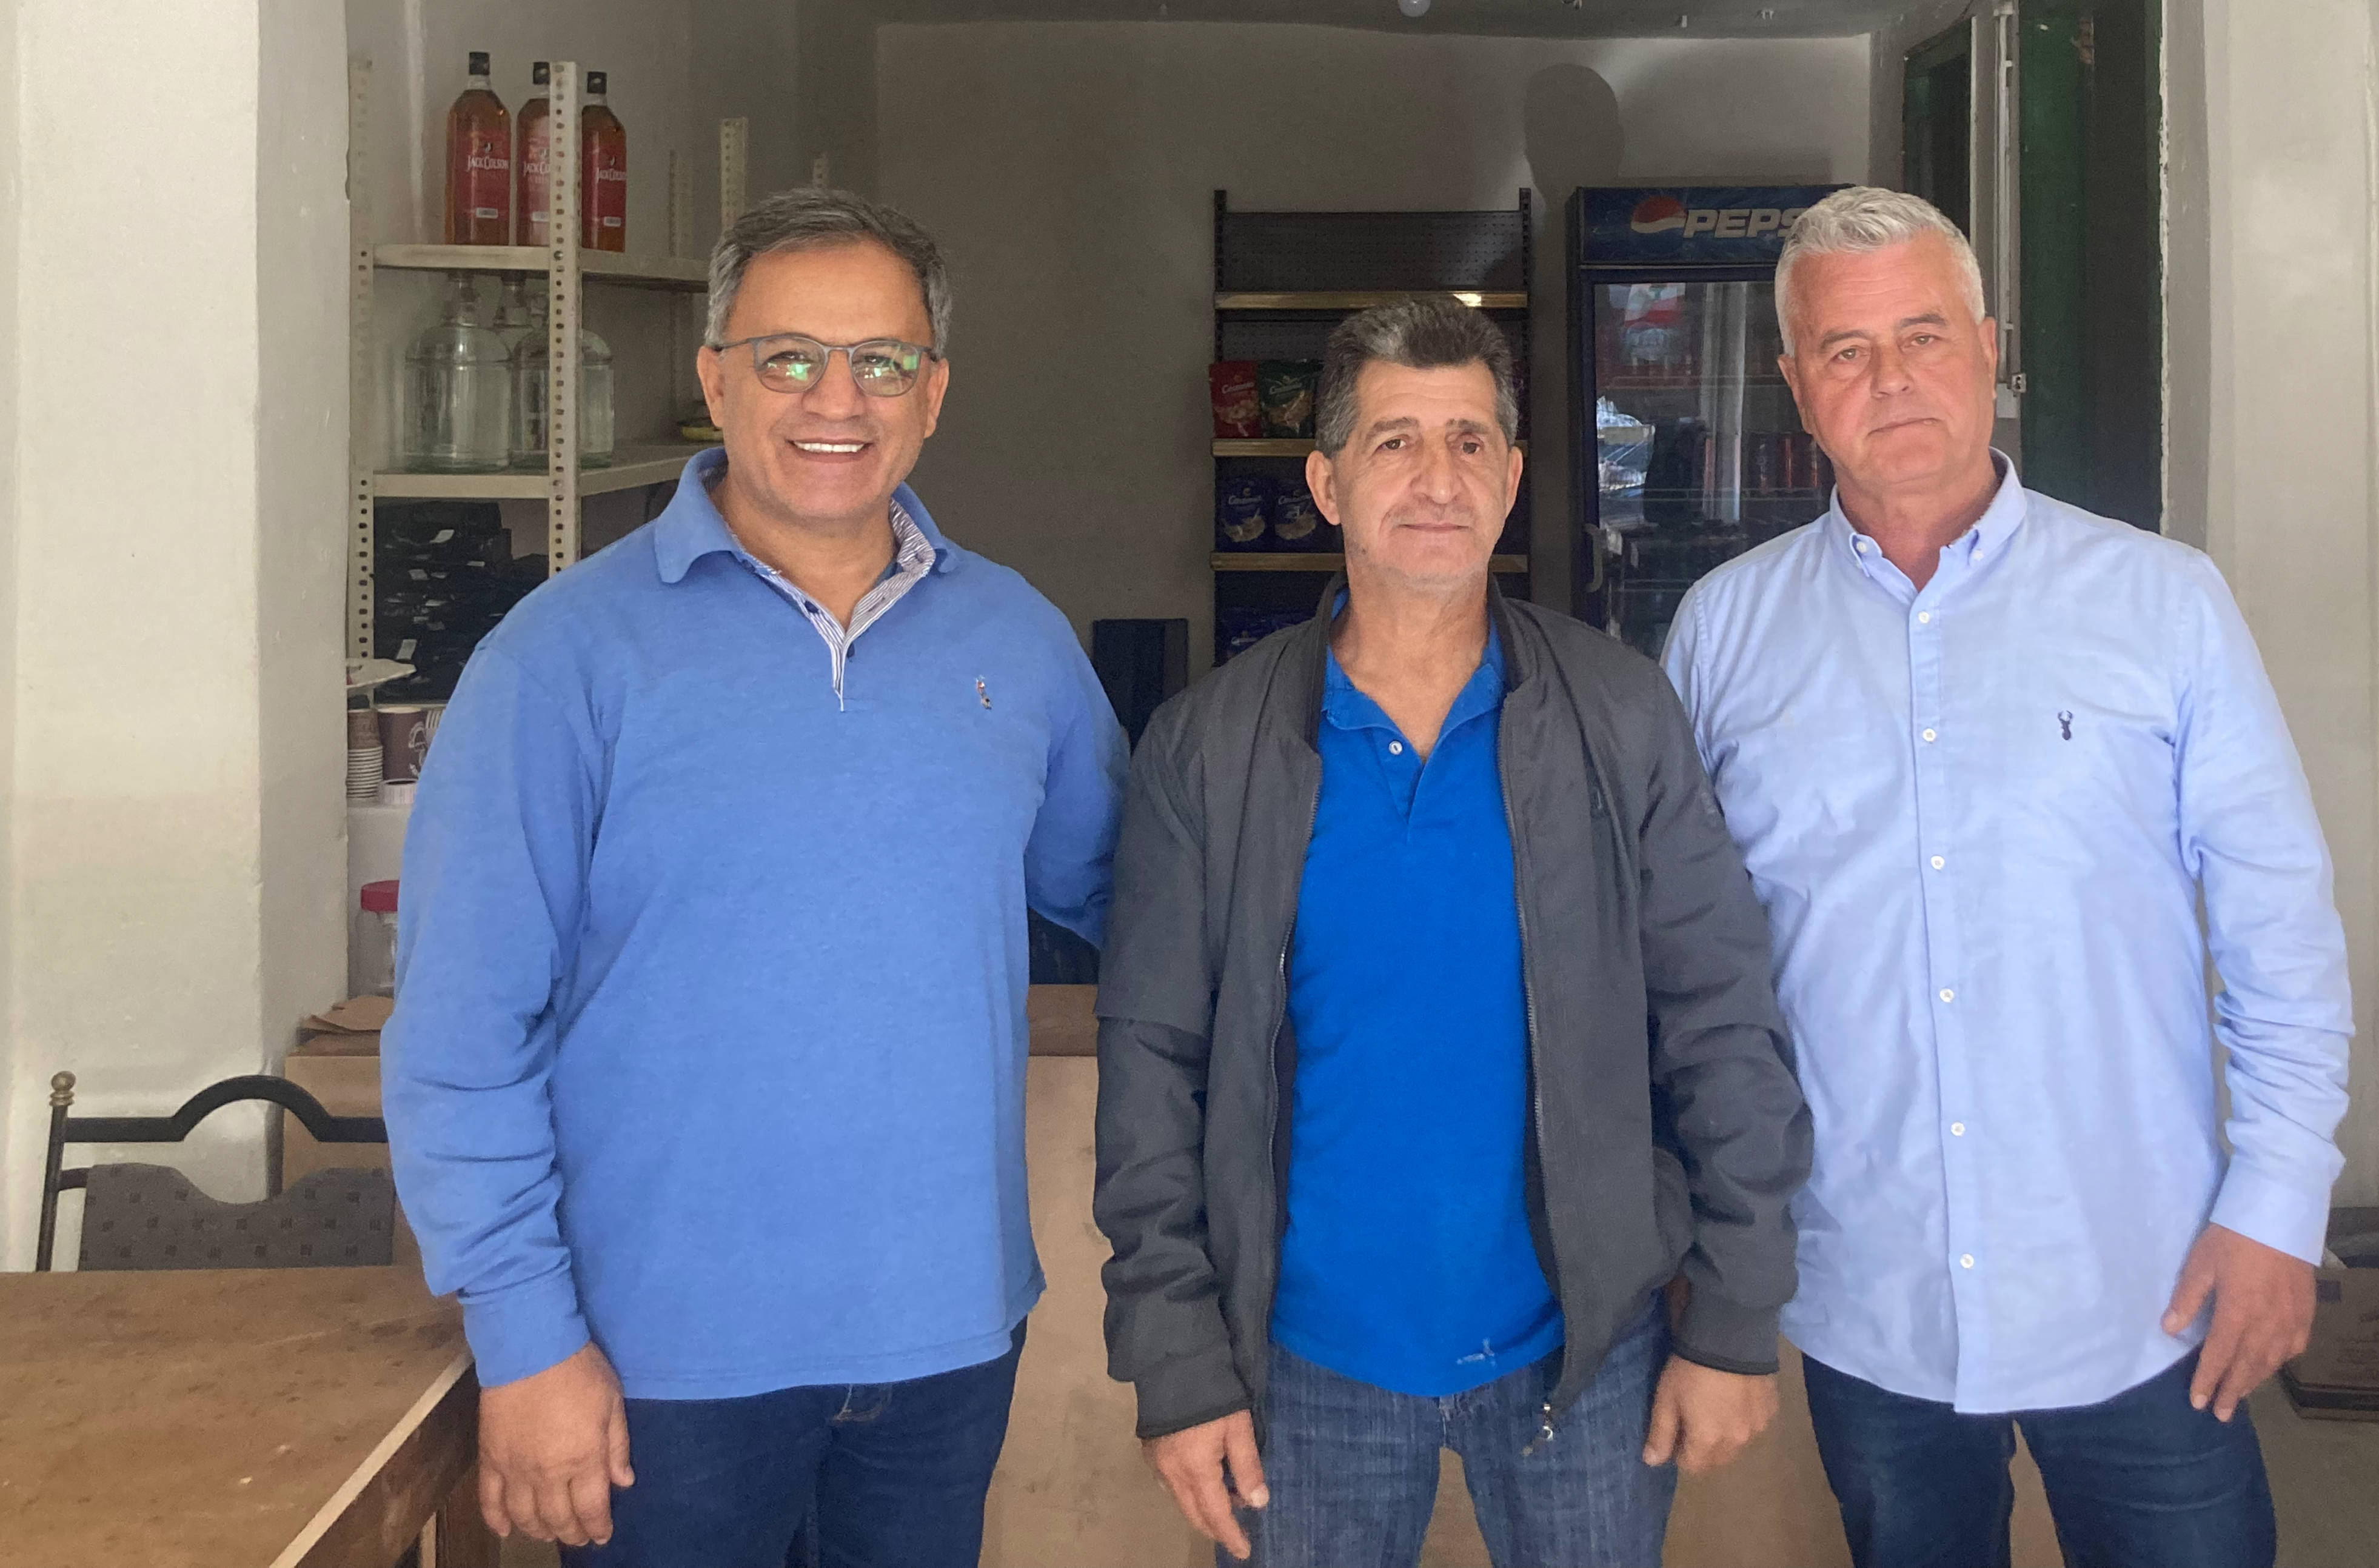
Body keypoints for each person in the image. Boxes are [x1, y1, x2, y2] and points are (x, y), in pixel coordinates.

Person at [383, 186, 1126, 1567]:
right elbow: (459, 1040)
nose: (834, 397)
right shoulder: (559, 663)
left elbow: (1146, 906)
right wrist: (525, 1337)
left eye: (881, 359)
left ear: (935, 392)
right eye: (787, 355)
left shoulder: (1014, 644)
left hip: (944, 1333)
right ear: (715, 377)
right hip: (654, 1362)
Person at [1662, 186, 2352, 1568]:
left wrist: (2277, 1205)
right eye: (1844, 352)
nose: (1890, 379)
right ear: (1795, 388)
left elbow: (2275, 920)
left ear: (1988, 348)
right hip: (1868, 1290)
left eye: (1920, 334)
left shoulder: (2161, 605)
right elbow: (1683, 968)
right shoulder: (1721, 635)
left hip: (2150, 1285)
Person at [1093, 296, 1812, 1568]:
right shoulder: (1207, 749)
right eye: (1394, 442)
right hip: (1296, 1369)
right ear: (1322, 482)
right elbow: (1150, 1065)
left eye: (1471, 441)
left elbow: (1719, 1009)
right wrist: (1175, 1359)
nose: (1438, 479)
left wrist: (1735, 1313)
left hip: (1582, 1351)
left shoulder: (1616, 712)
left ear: (1516, 475)